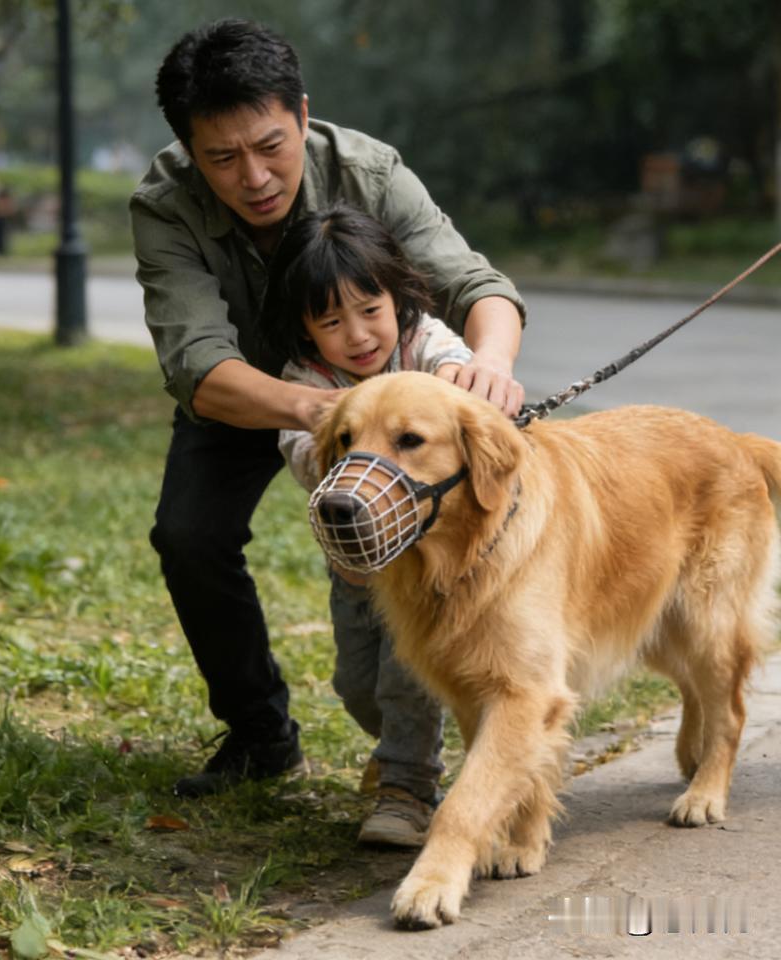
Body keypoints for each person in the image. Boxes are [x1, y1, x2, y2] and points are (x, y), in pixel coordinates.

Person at [130, 18, 526, 803]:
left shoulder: (368, 171)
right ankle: (259, 735)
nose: (254, 177)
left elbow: (477, 287)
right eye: (223, 158)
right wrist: (330, 413)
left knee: (452, 548)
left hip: (393, 396)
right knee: (188, 536)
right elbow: (198, 367)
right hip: (253, 397)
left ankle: (456, 731)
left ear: (303, 115)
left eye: (271, 145)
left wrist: (488, 366)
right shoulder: (164, 205)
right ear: (188, 151)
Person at [264, 203, 472, 846]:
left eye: (370, 309)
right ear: (305, 327)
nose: (357, 335)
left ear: (397, 297)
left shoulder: (428, 346)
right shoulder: (307, 383)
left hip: (428, 565)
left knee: (409, 679)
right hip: (354, 567)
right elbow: (306, 457)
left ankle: (408, 790)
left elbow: (460, 391)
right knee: (358, 685)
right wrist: (336, 433)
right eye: (331, 320)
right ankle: (394, 751)